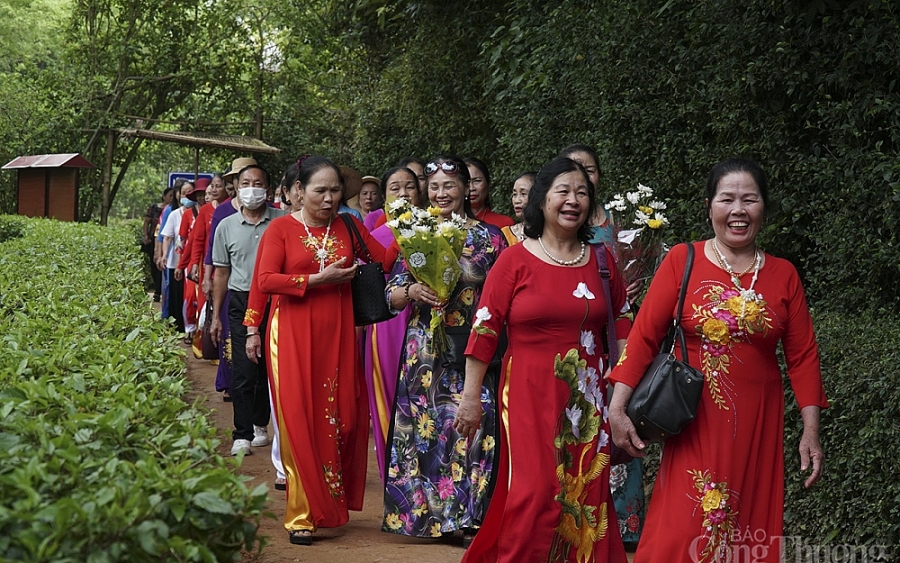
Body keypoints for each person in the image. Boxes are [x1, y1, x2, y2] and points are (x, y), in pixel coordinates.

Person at [609, 158, 828, 562]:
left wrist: (810, 431)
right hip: (695, 417)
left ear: (764, 207)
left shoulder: (784, 275)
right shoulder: (682, 259)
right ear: (710, 206)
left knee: (747, 529)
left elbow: (802, 357)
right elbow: (643, 336)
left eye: (750, 199)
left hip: (758, 422)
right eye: (727, 199)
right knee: (684, 524)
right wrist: (618, 405)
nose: (738, 210)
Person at [453, 156, 630, 562]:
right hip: (528, 394)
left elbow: (622, 320)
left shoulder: (602, 260)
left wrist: (623, 385)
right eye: (563, 191)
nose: (573, 201)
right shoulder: (514, 259)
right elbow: (485, 328)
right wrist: (469, 398)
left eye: (582, 193)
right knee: (534, 493)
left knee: (585, 493)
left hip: (589, 398)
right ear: (542, 199)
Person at [242, 156, 399, 546]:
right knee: (299, 420)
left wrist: (412, 230)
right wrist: (314, 282)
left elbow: (383, 261)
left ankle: (328, 502)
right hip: (292, 331)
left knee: (342, 418)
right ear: (299, 191)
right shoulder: (280, 229)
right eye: (320, 191)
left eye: (334, 191)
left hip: (340, 332)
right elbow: (264, 279)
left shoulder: (348, 225)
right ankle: (301, 515)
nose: (329, 198)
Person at [382, 155, 506, 546]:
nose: (440, 193)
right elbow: (392, 292)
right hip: (426, 351)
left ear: (467, 189)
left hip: (472, 346)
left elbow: (504, 294)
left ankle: (467, 516)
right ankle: (430, 518)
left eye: (449, 186)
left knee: (473, 425)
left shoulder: (490, 238)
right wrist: (412, 291)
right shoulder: (414, 230)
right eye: (432, 187)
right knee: (427, 430)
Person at [559, 143, 646, 541]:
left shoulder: (623, 225)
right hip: (570, 350)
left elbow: (625, 299)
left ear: (599, 177)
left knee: (620, 433)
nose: (582, 180)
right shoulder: (557, 226)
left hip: (614, 344)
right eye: (573, 172)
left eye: (589, 171)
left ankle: (623, 528)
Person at [210, 164, 286, 457]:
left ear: (268, 189)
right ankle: (241, 433)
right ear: (237, 188)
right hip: (240, 301)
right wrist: (216, 316)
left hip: (278, 300)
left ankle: (261, 425)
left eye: (258, 183)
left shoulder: (282, 221)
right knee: (242, 369)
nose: (251, 188)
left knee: (272, 369)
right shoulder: (225, 226)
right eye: (246, 183)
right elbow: (221, 274)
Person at [361, 165, 422, 482]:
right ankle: (396, 481)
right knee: (388, 399)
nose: (403, 193)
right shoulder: (374, 237)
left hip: (427, 324)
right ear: (384, 198)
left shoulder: (437, 233)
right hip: (387, 328)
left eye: (410, 186)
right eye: (395, 188)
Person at [205, 158, 257, 402]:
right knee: (229, 337)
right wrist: (208, 277)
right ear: (235, 183)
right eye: (243, 180)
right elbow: (213, 252)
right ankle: (230, 382)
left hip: (261, 292)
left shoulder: (273, 214)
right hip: (234, 289)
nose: (250, 187)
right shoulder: (224, 211)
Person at [158, 180, 187, 332]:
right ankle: (177, 325)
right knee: (175, 293)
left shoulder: (199, 213)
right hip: (175, 260)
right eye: (183, 193)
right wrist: (163, 255)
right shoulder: (174, 213)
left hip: (192, 261)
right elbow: (167, 237)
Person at [464, 156, 515, 229]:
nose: (471, 188)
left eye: (477, 181)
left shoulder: (505, 223)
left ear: (488, 184)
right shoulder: (448, 224)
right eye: (466, 182)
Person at [499, 171, 534, 246]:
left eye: (523, 194)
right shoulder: (505, 234)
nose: (517, 200)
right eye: (514, 194)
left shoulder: (551, 234)